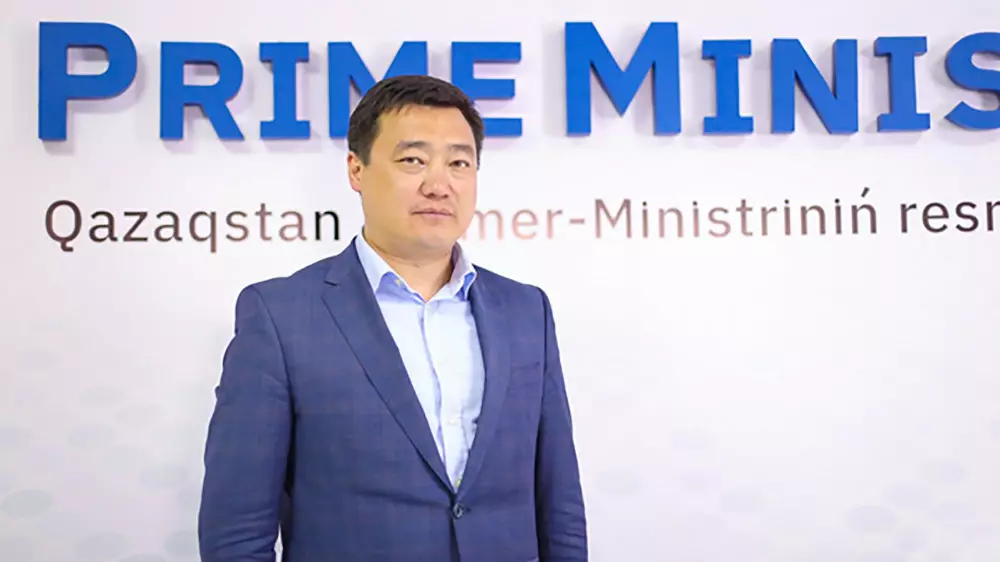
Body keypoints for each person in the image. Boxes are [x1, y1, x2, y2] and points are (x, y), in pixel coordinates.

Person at [196, 74, 588, 562]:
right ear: (356, 170)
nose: (439, 185)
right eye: (413, 160)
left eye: (459, 163)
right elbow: (236, 534)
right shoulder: (281, 316)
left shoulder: (526, 312)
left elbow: (560, 505)